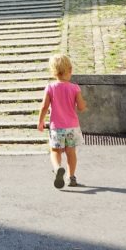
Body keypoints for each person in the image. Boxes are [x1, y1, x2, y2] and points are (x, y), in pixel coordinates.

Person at [38, 54, 87, 188]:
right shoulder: (74, 88)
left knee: (55, 151)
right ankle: (71, 177)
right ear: (70, 70)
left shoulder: (50, 87)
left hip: (56, 127)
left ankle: (57, 168)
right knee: (71, 152)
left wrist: (40, 122)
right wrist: (83, 104)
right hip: (72, 127)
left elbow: (44, 106)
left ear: (53, 71)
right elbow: (81, 107)